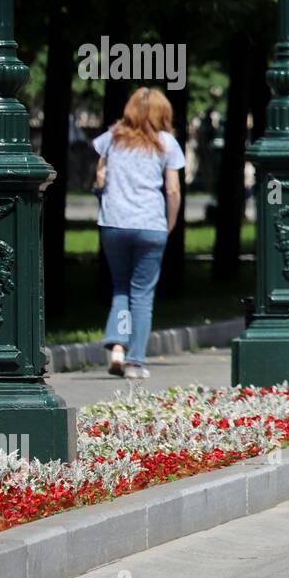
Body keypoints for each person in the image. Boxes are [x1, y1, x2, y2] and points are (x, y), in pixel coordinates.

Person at [93, 87, 185, 379]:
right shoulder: (166, 143)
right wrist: (169, 223)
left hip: (114, 223)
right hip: (150, 224)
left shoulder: (113, 137)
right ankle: (134, 362)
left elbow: (99, 176)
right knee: (142, 293)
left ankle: (118, 346)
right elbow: (172, 189)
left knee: (121, 286)